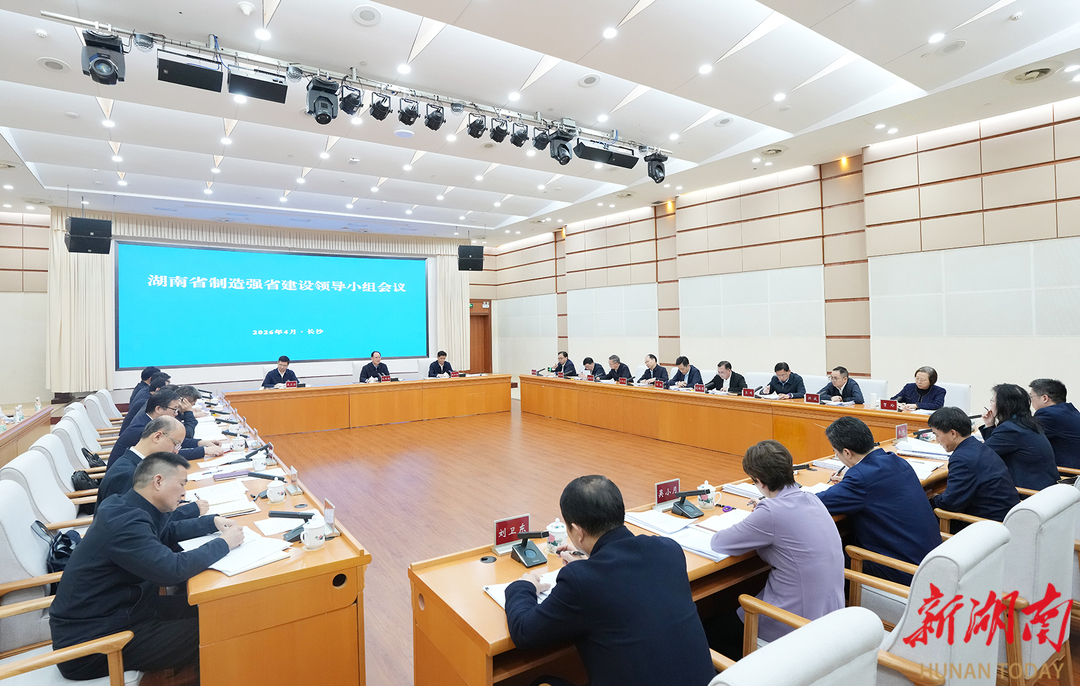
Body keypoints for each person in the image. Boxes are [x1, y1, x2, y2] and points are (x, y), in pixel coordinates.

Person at [503, 475, 715, 686]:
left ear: (578, 531)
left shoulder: (581, 580)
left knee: (542, 682)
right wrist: (592, 560)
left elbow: (524, 632)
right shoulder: (669, 550)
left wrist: (524, 586)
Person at [50, 452, 245, 679]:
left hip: (126, 611)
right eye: (181, 484)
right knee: (220, 631)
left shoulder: (127, 506)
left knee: (218, 608)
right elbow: (171, 570)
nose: (184, 493)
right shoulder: (124, 522)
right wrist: (224, 543)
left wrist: (211, 522)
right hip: (93, 644)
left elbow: (165, 532)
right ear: (158, 481)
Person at [707, 440, 844, 659]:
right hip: (829, 616)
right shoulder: (812, 499)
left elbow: (720, 543)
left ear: (759, 482)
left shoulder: (771, 511)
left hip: (793, 624)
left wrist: (761, 516)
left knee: (708, 630)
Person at [816, 416, 940, 584]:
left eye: (836, 453)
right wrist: (848, 482)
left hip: (902, 571)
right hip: (928, 562)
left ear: (846, 453)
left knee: (823, 557)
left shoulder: (860, 479)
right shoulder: (896, 460)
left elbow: (816, 503)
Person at [96, 416, 207, 517]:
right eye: (176, 444)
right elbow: (139, 521)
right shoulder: (127, 474)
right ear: (157, 437)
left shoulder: (140, 463)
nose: (176, 451)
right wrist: (189, 510)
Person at [927, 407, 1018, 529]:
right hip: (1005, 517)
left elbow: (949, 504)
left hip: (987, 526)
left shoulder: (961, 459)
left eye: (937, 435)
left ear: (953, 433)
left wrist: (932, 498)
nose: (937, 440)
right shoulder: (979, 447)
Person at [980, 383, 1059, 491]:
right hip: (1047, 489)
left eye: (992, 401)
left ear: (1004, 405)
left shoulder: (1010, 430)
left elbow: (981, 455)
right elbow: (994, 450)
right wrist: (989, 426)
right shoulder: (1028, 424)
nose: (990, 405)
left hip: (1029, 494)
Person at [109, 391, 223, 464]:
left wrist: (201, 443)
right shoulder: (141, 429)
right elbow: (165, 454)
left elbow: (172, 440)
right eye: (174, 409)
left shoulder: (150, 420)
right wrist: (204, 451)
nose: (176, 414)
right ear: (158, 409)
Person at [1029, 378, 1080, 469]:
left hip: (1065, 473)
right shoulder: (1070, 411)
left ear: (1045, 398)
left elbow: (1025, 437)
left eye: (1031, 397)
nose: (1030, 402)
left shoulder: (1048, 415)